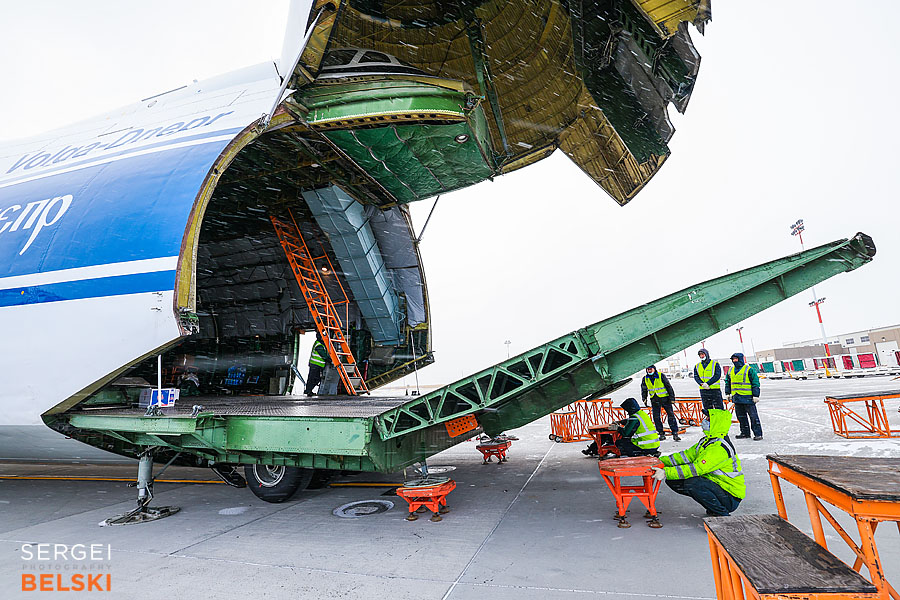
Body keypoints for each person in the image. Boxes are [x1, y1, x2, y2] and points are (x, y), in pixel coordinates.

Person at [651, 408, 745, 517]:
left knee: (693, 483)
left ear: (716, 423)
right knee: (675, 480)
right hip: (717, 486)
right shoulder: (707, 441)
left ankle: (722, 514)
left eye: (708, 419)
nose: (705, 421)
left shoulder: (719, 448)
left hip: (730, 495)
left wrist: (666, 472)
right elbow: (685, 456)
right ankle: (713, 506)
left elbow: (697, 469)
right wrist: (660, 461)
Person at [582, 397, 660, 457]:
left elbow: (625, 433)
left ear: (630, 409)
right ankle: (595, 449)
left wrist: (617, 428)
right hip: (654, 445)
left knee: (620, 442)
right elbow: (630, 421)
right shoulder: (641, 414)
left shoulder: (634, 418)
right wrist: (621, 422)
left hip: (645, 446)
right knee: (617, 439)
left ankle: (633, 455)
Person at [725, 352, 762, 440]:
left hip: (748, 398)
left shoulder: (749, 370)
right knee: (741, 417)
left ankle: (758, 434)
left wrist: (756, 395)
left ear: (740, 359)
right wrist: (728, 393)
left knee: (753, 417)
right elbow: (727, 382)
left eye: (736, 359)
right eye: (733, 359)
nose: (734, 361)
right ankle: (745, 433)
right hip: (737, 397)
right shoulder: (730, 371)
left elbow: (755, 383)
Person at [641, 365, 681, 441]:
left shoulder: (660, 376)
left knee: (671, 415)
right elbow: (644, 390)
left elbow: (668, 386)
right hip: (654, 399)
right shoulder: (645, 378)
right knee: (656, 417)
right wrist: (644, 398)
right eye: (648, 369)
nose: (649, 371)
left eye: (650, 369)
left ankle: (675, 433)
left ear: (654, 369)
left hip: (665, 399)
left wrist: (672, 398)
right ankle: (661, 433)